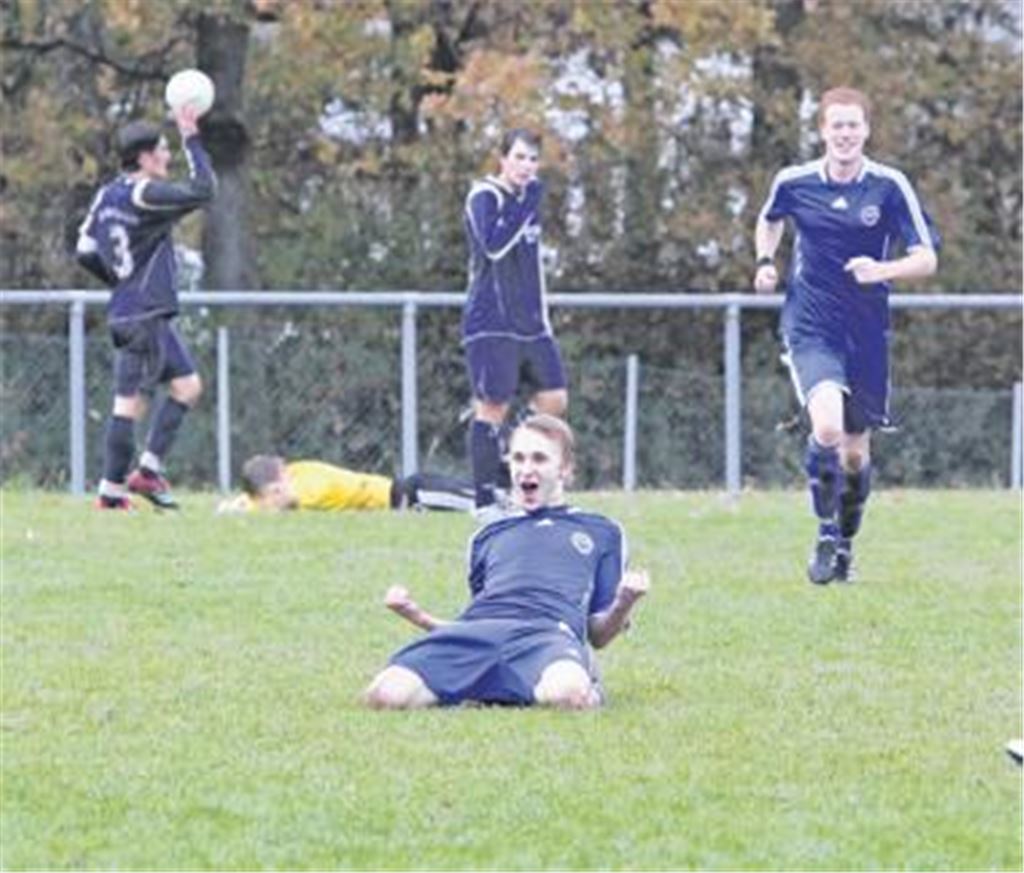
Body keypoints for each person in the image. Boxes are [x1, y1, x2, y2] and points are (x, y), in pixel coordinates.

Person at [753, 86, 939, 584]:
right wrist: (765, 262)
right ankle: (824, 533)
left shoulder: (888, 185)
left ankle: (845, 547)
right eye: (836, 125)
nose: (845, 134)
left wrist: (882, 270)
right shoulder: (794, 181)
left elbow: (927, 258)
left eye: (853, 125)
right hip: (811, 323)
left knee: (855, 455)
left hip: (866, 333)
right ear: (822, 131)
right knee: (828, 428)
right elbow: (769, 220)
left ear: (867, 130)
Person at [364, 414, 650, 710]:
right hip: (475, 638)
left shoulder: (602, 531)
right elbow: (480, 619)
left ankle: (583, 685)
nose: (527, 469)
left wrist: (625, 601)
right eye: (519, 459)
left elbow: (599, 636)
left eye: (539, 459)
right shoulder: (486, 536)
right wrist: (418, 616)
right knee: (384, 696)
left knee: (569, 696)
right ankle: (492, 689)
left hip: (546, 637)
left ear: (564, 469)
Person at [76, 104, 216, 511]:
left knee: (188, 387)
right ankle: (110, 495)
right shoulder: (145, 194)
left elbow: (84, 249)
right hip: (144, 316)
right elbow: (205, 189)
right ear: (144, 158)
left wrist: (120, 281)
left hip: (134, 312)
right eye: (163, 149)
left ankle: (149, 471)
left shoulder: (108, 194)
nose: (168, 156)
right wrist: (191, 137)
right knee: (128, 405)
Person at [462, 129, 568, 518]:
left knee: (553, 399)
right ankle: (486, 500)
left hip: (532, 324)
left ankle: (516, 455)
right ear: (502, 159)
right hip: (492, 321)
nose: (527, 167)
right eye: (519, 158)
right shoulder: (485, 196)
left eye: (533, 159)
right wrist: (526, 205)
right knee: (493, 405)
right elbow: (493, 245)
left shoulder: (529, 200)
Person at [217, 455, 475, 514]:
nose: (274, 501)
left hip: (408, 495)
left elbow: (288, 503)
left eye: (276, 492)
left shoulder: (308, 487)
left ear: (283, 477)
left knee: (476, 501)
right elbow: (262, 502)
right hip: (403, 492)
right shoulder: (294, 472)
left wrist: (238, 507)